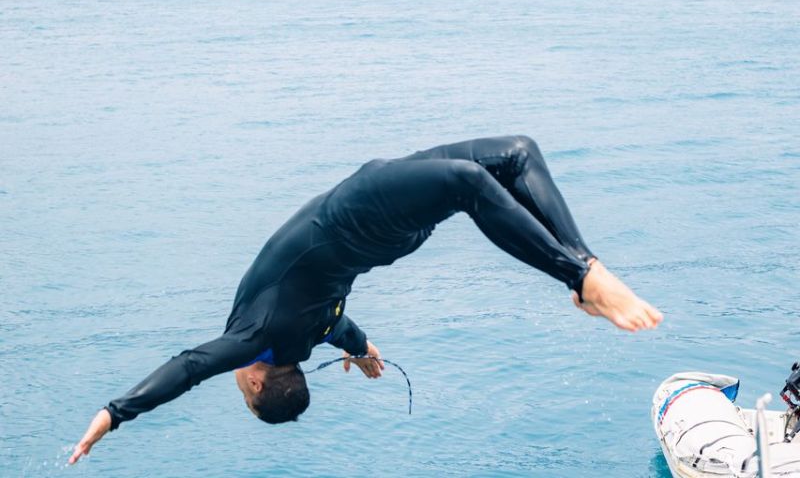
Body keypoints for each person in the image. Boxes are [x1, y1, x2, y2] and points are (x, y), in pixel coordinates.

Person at [69, 135, 662, 464]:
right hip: (362, 213)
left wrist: (363, 347)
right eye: (244, 393)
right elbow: (189, 367)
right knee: (472, 182)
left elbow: (336, 326)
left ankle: (587, 270)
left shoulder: (302, 334)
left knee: (515, 155)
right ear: (254, 383)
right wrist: (114, 415)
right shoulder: (258, 340)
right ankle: (579, 276)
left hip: (382, 228)